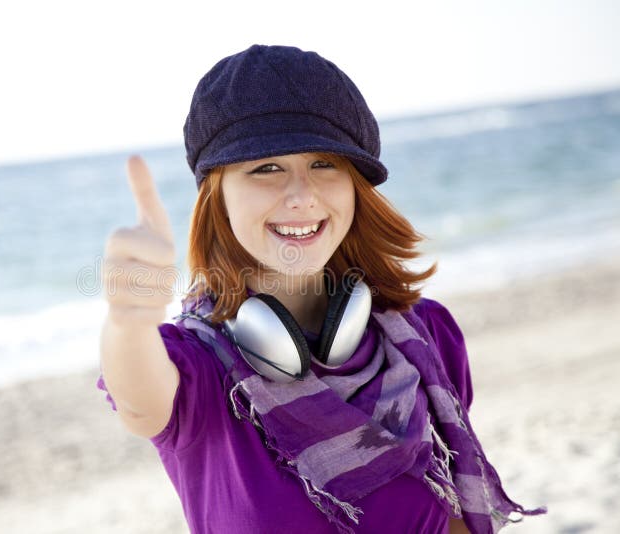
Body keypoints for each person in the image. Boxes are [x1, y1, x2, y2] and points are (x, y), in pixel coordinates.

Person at [97, 44, 544, 534]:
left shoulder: (426, 334)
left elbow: (450, 512)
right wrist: (129, 323)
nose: (301, 194)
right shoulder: (195, 370)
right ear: (217, 195)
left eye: (324, 164)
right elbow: (139, 404)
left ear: (356, 185)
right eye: (265, 167)